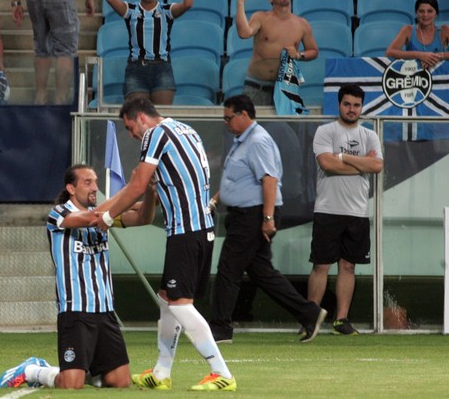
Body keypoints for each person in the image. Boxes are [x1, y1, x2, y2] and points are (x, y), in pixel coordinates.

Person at [95, 98, 237, 392]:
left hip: (186, 230)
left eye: (130, 127)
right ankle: (161, 372)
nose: (132, 134)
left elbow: (136, 185)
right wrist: (108, 212)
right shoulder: (186, 130)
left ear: (142, 118)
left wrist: (106, 217)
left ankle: (221, 372)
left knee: (180, 305)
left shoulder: (154, 134)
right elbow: (155, 189)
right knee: (167, 299)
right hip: (201, 229)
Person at [0, 164, 156, 389]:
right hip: (75, 311)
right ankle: (34, 370)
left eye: (96, 182)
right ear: (71, 188)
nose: (94, 187)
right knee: (71, 385)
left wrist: (150, 191)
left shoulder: (103, 214)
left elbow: (143, 217)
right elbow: (92, 217)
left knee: (120, 382)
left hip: (105, 310)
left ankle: (86, 371)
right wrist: (132, 187)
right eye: (87, 182)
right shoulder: (59, 214)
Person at [208, 95, 327, 344]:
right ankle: (309, 313)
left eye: (229, 118)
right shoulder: (243, 141)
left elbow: (270, 180)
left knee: (228, 270)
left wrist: (268, 218)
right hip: (247, 214)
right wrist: (216, 201)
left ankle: (220, 328)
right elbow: (236, 178)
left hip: (252, 214)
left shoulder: (258, 141)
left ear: (244, 115)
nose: (226, 123)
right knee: (262, 272)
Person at [307, 84, 383, 336]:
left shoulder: (370, 135)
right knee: (321, 265)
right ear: (339, 104)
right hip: (328, 209)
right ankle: (310, 318)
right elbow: (327, 164)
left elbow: (377, 166)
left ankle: (342, 319)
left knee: (348, 266)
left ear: (362, 106)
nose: (352, 109)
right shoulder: (325, 131)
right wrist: (362, 163)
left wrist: (343, 157)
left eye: (356, 105)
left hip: (358, 212)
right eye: (347, 104)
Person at [12, 0, 94, 105]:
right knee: (65, 49)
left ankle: (40, 96)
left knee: (42, 48)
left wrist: (16, 1)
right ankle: (60, 99)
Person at [104, 0, 192, 106]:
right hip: (136, 68)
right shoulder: (131, 10)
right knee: (138, 117)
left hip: (162, 68)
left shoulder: (166, 10)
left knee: (162, 119)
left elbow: (188, 3)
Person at [235, 0, 318, 106]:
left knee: (282, 127)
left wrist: (298, 55)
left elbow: (313, 51)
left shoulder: (302, 24)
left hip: (285, 89)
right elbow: (244, 33)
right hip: (256, 87)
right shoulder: (261, 17)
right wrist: (240, 3)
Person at [386, 0, 449, 70]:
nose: (425, 15)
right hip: (414, 77)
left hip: (440, 76)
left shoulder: (445, 30)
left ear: (436, 13)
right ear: (416, 13)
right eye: (421, 11)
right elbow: (390, 52)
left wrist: (438, 56)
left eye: (430, 11)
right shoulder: (408, 30)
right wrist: (419, 55)